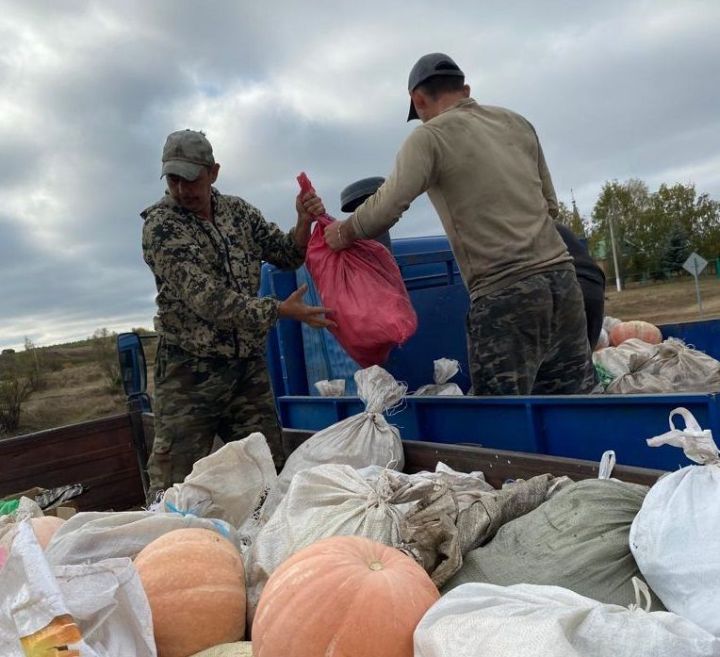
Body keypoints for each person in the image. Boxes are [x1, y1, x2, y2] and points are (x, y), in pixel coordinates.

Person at [325, 53, 596, 396]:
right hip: (564, 282)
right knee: (572, 401)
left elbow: (388, 205)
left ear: (418, 100)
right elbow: (550, 206)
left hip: (504, 291)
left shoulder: (429, 137)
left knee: (503, 421)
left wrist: (344, 232)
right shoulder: (517, 123)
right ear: (465, 89)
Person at [141, 129, 333, 500]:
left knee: (269, 471)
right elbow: (207, 300)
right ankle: (166, 547)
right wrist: (279, 310)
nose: (181, 189)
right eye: (173, 179)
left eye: (190, 178)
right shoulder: (161, 226)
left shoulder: (239, 212)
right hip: (189, 374)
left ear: (213, 172)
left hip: (246, 368)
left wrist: (302, 221)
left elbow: (288, 254)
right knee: (174, 484)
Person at [554, 223, 606, 350]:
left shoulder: (518, 232)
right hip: (594, 287)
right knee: (583, 360)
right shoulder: (556, 228)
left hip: (567, 289)